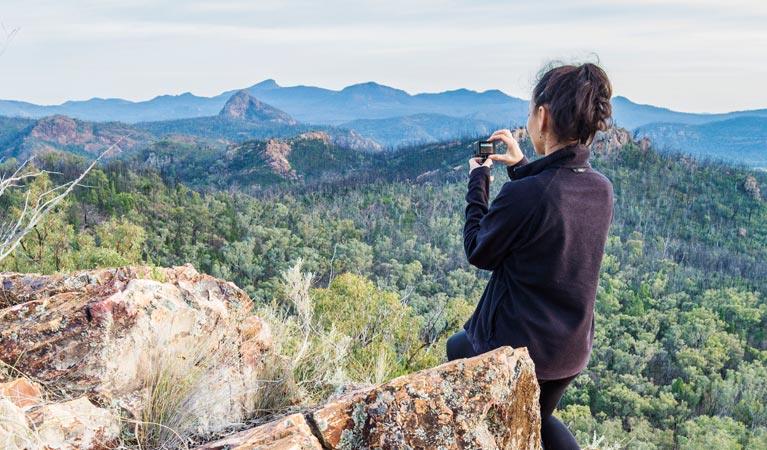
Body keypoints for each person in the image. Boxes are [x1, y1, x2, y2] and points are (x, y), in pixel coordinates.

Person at [446, 62, 614, 449]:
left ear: (542, 116)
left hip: (520, 351)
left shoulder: (532, 193)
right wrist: (524, 167)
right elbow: (548, 208)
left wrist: (479, 180)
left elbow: (478, 249)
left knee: (457, 349)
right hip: (568, 352)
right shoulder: (600, 188)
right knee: (536, 415)